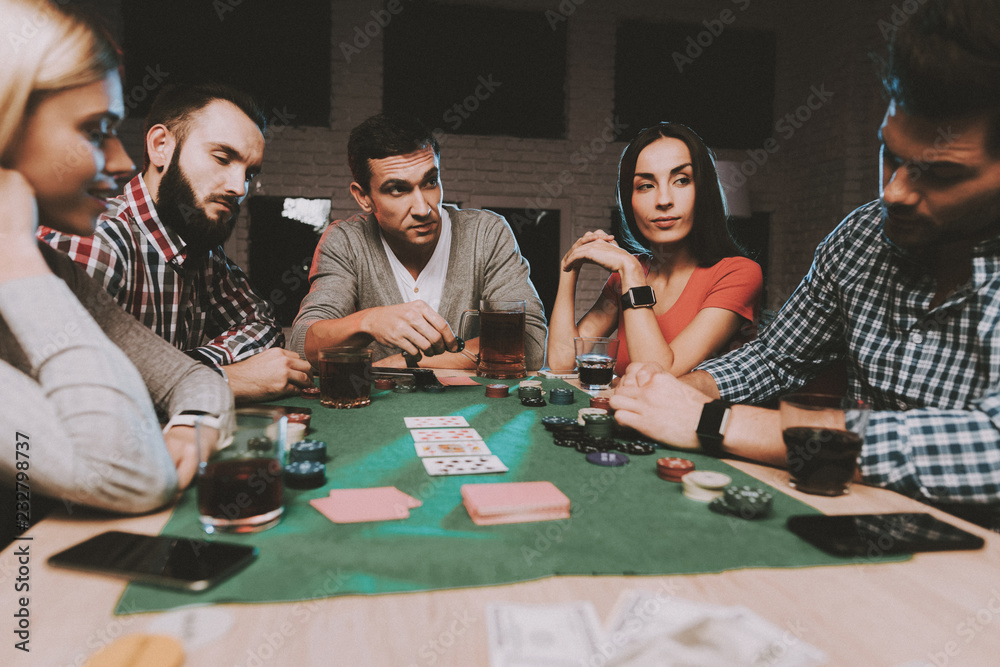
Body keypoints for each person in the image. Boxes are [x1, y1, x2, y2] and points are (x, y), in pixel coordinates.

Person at [611, 0, 1000, 526]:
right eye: (890, 154)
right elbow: (776, 357)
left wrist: (718, 424)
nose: (893, 193)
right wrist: (689, 390)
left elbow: (988, 443)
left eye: (942, 175)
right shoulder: (862, 236)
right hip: (860, 522)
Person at [0, 0, 232, 534]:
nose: (123, 161)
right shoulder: (28, 266)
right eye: (95, 130)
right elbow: (129, 472)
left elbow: (190, 377)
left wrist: (194, 427)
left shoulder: (57, 273)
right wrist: (12, 249)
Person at [39, 82, 311, 402]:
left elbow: (262, 324)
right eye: (222, 158)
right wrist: (218, 381)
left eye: (250, 173)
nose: (239, 187)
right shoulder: (97, 240)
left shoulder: (202, 250)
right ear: (160, 146)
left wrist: (189, 369)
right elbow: (68, 392)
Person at [290, 113, 546, 368]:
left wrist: (406, 363)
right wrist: (370, 321)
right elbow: (303, 345)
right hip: (377, 409)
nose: (423, 208)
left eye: (430, 182)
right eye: (398, 189)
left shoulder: (486, 234)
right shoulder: (346, 242)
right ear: (363, 197)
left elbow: (529, 344)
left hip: (474, 408)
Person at [547, 122, 762, 376]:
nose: (663, 201)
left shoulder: (738, 274)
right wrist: (568, 269)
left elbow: (658, 375)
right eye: (646, 185)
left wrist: (631, 272)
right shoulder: (628, 275)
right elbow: (563, 362)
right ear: (630, 200)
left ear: (704, 190)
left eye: (682, 180)